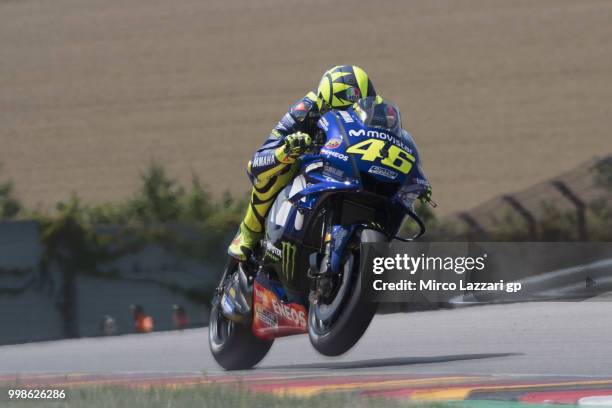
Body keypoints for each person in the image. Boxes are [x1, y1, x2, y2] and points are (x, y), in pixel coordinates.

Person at [228, 65, 377, 261]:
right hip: (310, 170)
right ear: (324, 104)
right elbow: (257, 162)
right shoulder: (304, 110)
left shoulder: (375, 113)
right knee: (279, 167)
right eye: (340, 112)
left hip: (351, 172)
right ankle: (249, 231)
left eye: (353, 112)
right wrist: (286, 151)